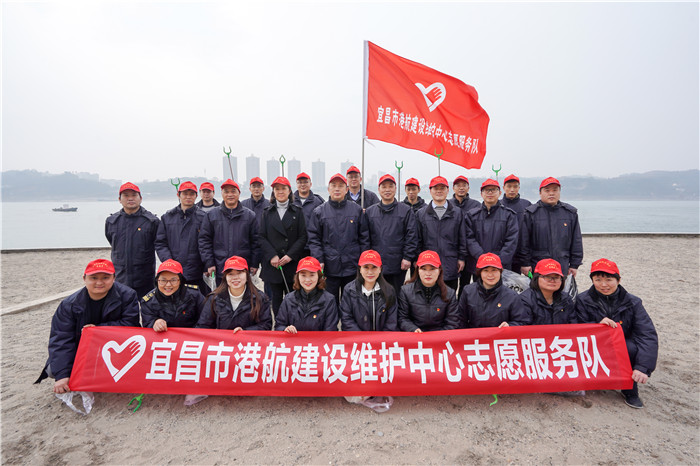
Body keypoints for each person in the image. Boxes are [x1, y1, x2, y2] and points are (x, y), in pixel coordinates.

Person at [35, 259, 139, 393]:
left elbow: (131, 325)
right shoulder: (68, 305)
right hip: (82, 347)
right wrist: (62, 375)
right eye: (94, 278)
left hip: (113, 346)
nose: (99, 282)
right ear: (84, 278)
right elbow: (61, 339)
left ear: (114, 278)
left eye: (105, 278)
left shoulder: (128, 295)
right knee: (53, 371)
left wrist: (98, 330)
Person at [575, 258, 658, 409]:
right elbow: (577, 325)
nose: (603, 284)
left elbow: (647, 334)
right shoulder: (582, 299)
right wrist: (596, 325)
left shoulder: (633, 302)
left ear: (618, 280)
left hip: (622, 345)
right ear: (592, 280)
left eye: (609, 280)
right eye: (598, 280)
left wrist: (643, 367)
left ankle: (629, 389)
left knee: (631, 348)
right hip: (594, 343)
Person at [307, 173, 370, 302]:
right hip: (329, 266)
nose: (337, 189)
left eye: (341, 186)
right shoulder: (319, 212)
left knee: (352, 301)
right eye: (334, 185)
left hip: (352, 265)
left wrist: (363, 261)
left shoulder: (356, 210)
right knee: (329, 301)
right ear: (328, 189)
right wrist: (319, 259)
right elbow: (314, 239)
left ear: (346, 189)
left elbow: (364, 238)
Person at [259, 176, 308, 312]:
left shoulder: (298, 211)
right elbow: (261, 237)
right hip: (274, 264)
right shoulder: (267, 213)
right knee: (275, 299)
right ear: (273, 192)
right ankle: (279, 324)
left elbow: (303, 237)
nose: (280, 192)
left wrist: (290, 255)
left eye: (283, 188)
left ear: (289, 191)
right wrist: (272, 256)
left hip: (291, 263)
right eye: (277, 189)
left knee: (293, 299)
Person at [365, 174, 419, 297]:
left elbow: (411, 235)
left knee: (396, 295)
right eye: (384, 187)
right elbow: (365, 238)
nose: (387, 190)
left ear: (395, 189)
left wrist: (407, 257)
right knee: (377, 296)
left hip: (398, 263)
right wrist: (367, 259)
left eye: (390, 186)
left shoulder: (406, 210)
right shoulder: (370, 212)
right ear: (379, 189)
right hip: (376, 263)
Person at [518, 177, 583, 278]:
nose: (551, 193)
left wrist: (574, 264)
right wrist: (525, 263)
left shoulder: (570, 213)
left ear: (559, 192)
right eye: (547, 190)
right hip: (538, 264)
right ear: (540, 193)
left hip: (562, 264)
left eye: (555, 190)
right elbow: (524, 241)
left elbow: (576, 240)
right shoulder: (530, 214)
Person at [199, 179, 260, 284]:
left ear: (239, 193)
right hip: (220, 266)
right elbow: (204, 241)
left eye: (233, 191)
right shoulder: (211, 215)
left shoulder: (250, 216)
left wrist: (254, 263)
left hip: (242, 267)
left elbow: (256, 242)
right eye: (226, 192)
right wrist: (209, 263)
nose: (230, 195)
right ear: (221, 194)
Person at [105, 182, 160, 298]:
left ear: (141, 198)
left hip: (144, 278)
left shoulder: (152, 221)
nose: (130, 198)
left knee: (147, 307)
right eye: (126, 195)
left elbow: (159, 245)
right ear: (119, 199)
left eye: (134, 195)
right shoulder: (112, 221)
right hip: (120, 277)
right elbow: (112, 242)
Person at [415, 176, 467, 291]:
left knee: (449, 296)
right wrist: (418, 260)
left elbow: (462, 238)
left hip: (450, 263)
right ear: (430, 191)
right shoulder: (421, 214)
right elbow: (417, 240)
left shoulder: (457, 213)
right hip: (428, 266)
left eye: (442, 188)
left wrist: (461, 258)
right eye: (435, 188)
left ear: (448, 190)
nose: (439, 191)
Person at [155, 181, 208, 293]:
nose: (188, 197)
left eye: (192, 194)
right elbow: (160, 243)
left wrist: (207, 264)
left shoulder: (203, 217)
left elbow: (207, 242)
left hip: (196, 272)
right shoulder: (167, 217)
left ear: (196, 196)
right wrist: (169, 261)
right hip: (172, 272)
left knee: (197, 300)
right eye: (185, 194)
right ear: (178, 195)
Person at [464, 179, 519, 286]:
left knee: (501, 293)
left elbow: (511, 240)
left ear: (499, 193)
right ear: (481, 194)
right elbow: (469, 238)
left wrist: (499, 261)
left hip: (501, 266)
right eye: (487, 190)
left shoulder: (509, 215)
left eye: (493, 190)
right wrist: (483, 258)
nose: (490, 193)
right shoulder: (472, 215)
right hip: (478, 264)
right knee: (479, 293)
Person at [196, 256, 272, 331]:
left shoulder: (260, 298)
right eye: (230, 274)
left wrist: (244, 331)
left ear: (247, 275)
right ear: (225, 277)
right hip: (222, 339)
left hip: (248, 339)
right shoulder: (214, 298)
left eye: (239, 273)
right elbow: (203, 326)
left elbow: (266, 325)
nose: (235, 277)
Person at [459, 253, 527, 329]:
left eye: (494, 270)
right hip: (475, 335)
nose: (490, 275)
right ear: (479, 273)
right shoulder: (468, 291)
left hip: (500, 336)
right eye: (486, 270)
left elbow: (522, 321)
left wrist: (510, 326)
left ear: (500, 272)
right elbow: (460, 319)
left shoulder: (511, 296)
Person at [398, 250, 460, 332]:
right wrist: (412, 329)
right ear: (418, 270)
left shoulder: (450, 293)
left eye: (432, 269)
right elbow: (402, 318)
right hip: (415, 335)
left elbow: (452, 322)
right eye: (423, 269)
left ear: (439, 270)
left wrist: (436, 336)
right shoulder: (405, 291)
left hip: (440, 336)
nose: (428, 273)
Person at [274, 256, 339, 332]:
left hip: (319, 340)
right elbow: (279, 325)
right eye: (303, 275)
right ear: (298, 277)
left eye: (312, 275)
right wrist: (285, 329)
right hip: (295, 340)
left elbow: (331, 330)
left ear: (319, 276)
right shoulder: (289, 299)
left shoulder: (329, 300)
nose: (307, 280)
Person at [340, 250, 398, 331]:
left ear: (380, 269)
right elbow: (347, 320)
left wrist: (381, 338)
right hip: (357, 338)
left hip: (382, 338)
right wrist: (362, 337)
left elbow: (391, 323)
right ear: (360, 269)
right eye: (366, 267)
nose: (370, 272)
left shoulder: (389, 291)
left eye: (374, 267)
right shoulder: (349, 290)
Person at [140, 259, 205, 331]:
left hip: (191, 335)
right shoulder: (148, 301)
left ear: (180, 281)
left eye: (173, 280)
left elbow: (205, 320)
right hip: (163, 337)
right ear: (157, 281)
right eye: (163, 280)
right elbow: (147, 324)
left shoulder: (195, 295)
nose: (168, 285)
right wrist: (154, 322)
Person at [520, 259, 577, 325]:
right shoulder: (525, 300)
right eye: (547, 277)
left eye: (556, 277)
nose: (552, 280)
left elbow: (573, 324)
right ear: (536, 278)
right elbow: (523, 327)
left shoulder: (566, 299)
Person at [500, 174, 531, 273]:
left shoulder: (526, 205)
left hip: (521, 252)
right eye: (509, 186)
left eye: (515, 186)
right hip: (502, 253)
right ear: (503, 188)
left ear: (519, 188)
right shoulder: (498, 204)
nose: (512, 190)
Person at [292, 172, 324, 257]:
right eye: (300, 182)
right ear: (296, 184)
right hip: (294, 247)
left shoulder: (318, 202)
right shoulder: (290, 201)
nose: (303, 185)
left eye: (305, 182)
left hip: (312, 247)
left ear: (310, 184)